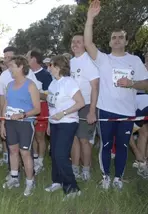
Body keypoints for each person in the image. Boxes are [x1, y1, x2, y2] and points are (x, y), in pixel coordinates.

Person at [84, 0, 148, 190]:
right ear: (110, 41)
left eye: (121, 37)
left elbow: (146, 83)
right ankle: (105, 177)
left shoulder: (135, 61)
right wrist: (90, 19)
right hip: (105, 110)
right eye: (114, 37)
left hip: (127, 111)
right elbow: (88, 43)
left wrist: (132, 84)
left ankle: (118, 178)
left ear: (126, 41)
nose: (117, 40)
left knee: (122, 146)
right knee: (105, 146)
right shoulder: (103, 59)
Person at [45, 55, 85, 200]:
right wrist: (50, 124)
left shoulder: (69, 82)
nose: (48, 68)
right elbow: (51, 106)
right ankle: (57, 181)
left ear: (58, 67)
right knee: (54, 155)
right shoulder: (53, 84)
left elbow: (81, 102)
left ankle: (72, 188)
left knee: (61, 155)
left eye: (51, 65)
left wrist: (64, 113)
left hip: (67, 123)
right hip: (55, 124)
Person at [0, 46, 42, 178]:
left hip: (25, 123)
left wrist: (23, 115)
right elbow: (6, 104)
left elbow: (37, 109)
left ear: (21, 67)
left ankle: (30, 181)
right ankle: (14, 177)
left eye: (12, 66)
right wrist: (2, 124)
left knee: (25, 153)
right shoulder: (10, 85)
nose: (10, 69)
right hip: (10, 123)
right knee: (13, 151)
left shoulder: (30, 85)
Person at [70, 33, 99, 181]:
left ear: (85, 44)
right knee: (74, 138)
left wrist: (92, 111)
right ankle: (75, 169)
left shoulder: (89, 61)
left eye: (78, 42)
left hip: (87, 105)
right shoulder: (71, 62)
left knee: (84, 140)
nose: (75, 44)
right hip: (73, 106)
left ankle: (86, 170)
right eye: (73, 42)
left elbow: (95, 87)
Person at [27, 49, 53, 174]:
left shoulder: (45, 75)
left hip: (42, 108)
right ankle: (35, 158)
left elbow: (49, 96)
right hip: (29, 108)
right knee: (32, 135)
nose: (26, 60)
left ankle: (41, 161)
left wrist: (35, 93)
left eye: (27, 57)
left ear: (33, 59)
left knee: (40, 136)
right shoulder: (27, 73)